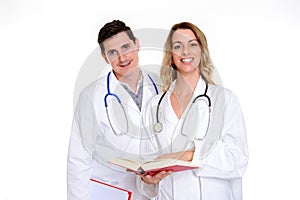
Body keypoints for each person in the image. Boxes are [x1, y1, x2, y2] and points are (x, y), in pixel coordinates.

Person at [137, 22, 249, 199]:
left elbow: (237, 159)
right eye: (178, 46)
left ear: (202, 51)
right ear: (171, 55)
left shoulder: (223, 99)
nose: (185, 51)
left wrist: (189, 155)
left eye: (192, 44)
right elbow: (146, 162)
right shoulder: (154, 106)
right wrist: (147, 180)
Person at [67, 20, 160, 199]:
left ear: (137, 44)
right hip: (110, 191)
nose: (122, 58)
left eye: (126, 47)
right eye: (112, 52)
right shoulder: (91, 96)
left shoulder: (160, 85)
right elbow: (78, 159)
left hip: (152, 191)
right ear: (104, 57)